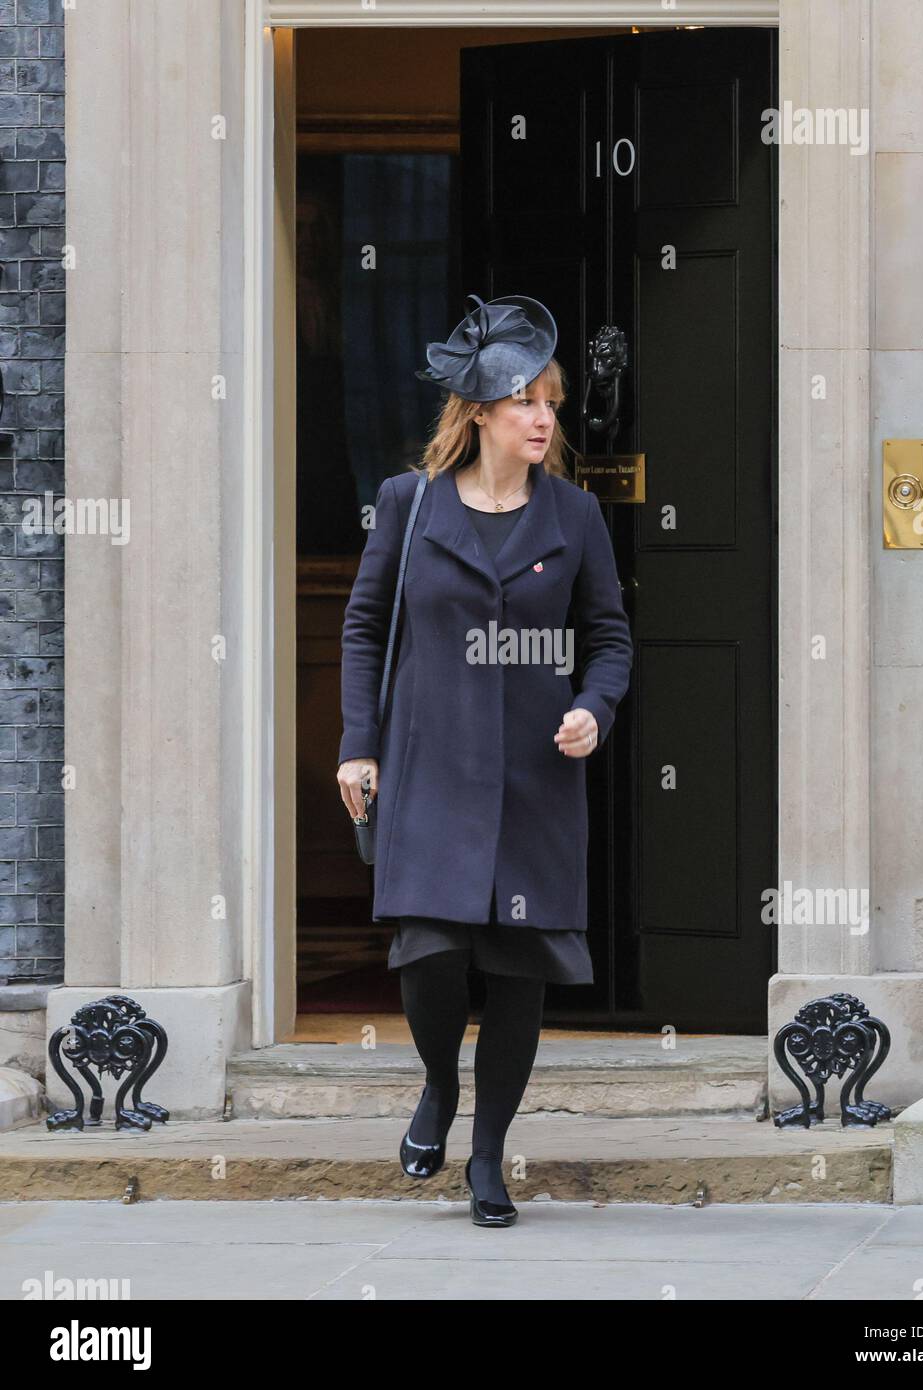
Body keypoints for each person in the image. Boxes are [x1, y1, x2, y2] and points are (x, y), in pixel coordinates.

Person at [336, 293, 633, 1226]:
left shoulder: (577, 516)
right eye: (526, 403)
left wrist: (593, 706)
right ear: (480, 416)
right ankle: (437, 1084)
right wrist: (358, 748)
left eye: (551, 401)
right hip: (429, 767)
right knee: (429, 957)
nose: (545, 419)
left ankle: (491, 1157)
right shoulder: (408, 503)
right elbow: (361, 626)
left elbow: (611, 637)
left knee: (516, 970)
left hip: (536, 779)